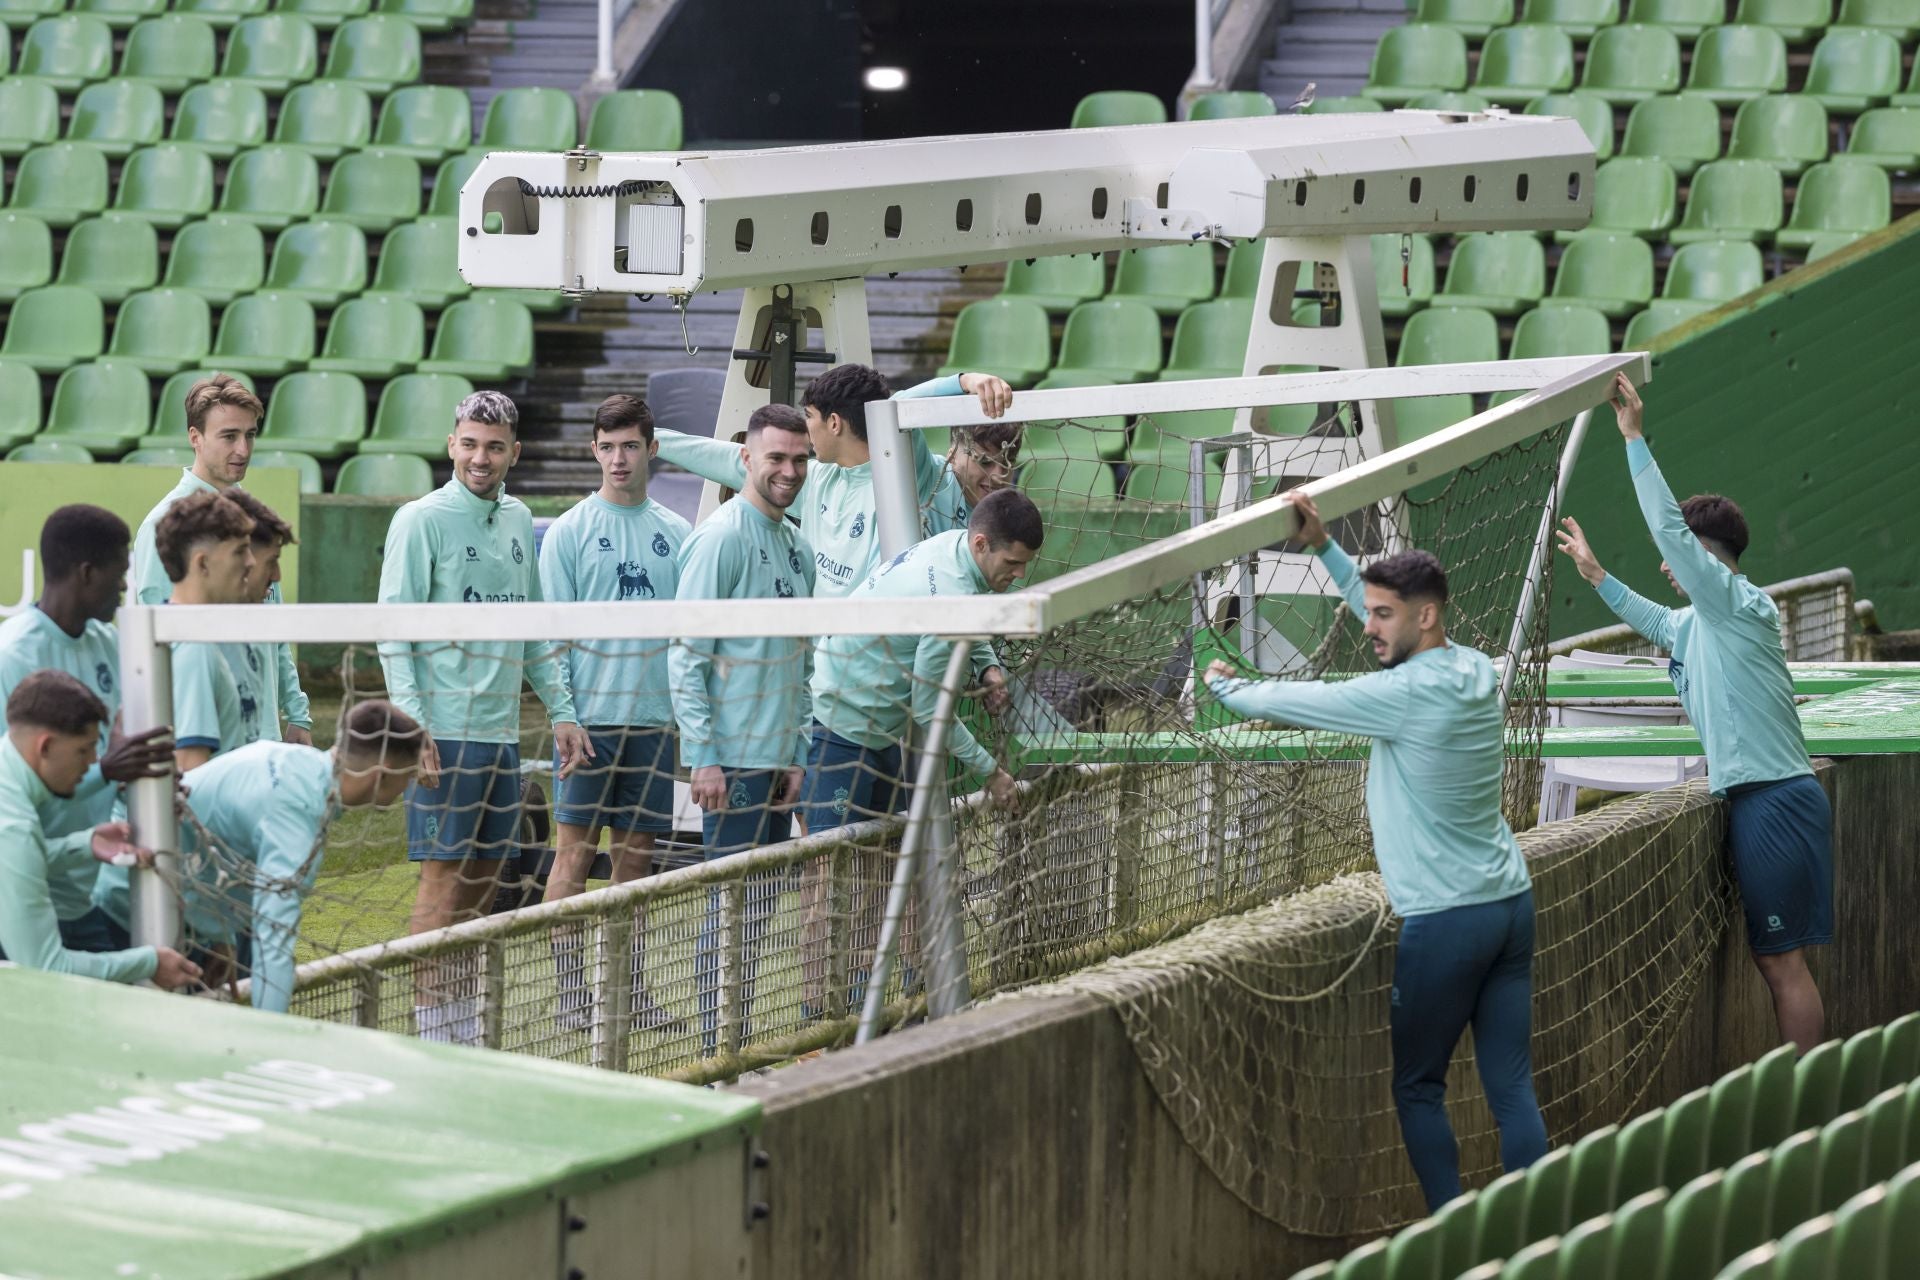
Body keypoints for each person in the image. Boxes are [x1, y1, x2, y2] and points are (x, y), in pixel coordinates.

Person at [1203, 492, 1547, 1212]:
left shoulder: (1401, 695)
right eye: (1369, 612)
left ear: (1426, 616)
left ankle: (1455, 1239)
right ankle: (1539, 1234)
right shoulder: (1476, 670)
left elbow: (1295, 705)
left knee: (1417, 1087)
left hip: (1447, 921)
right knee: (1511, 1084)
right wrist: (1326, 547)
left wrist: (1230, 692)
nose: (1370, 628)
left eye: (1384, 615)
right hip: (1509, 904)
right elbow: (1381, 627)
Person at [1556, 373, 1830, 1054]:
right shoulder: (1694, 622)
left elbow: (1669, 535)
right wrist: (1595, 576)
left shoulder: (1738, 605)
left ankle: (1814, 1102)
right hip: (1755, 798)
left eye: (1679, 555)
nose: (1665, 564)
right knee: (1776, 961)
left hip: (1775, 799)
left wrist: (1633, 439)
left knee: (1781, 964)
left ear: (1709, 559)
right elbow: (1648, 616)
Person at [376, 390, 588, 1042]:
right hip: (443, 736)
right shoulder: (421, 520)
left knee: (483, 889)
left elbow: (532, 627)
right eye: (469, 443)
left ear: (514, 453)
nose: (480, 457)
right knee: (441, 890)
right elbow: (394, 630)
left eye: (494, 447)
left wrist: (563, 711)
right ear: (451, 445)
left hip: (500, 740)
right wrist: (413, 727)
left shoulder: (522, 520)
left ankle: (461, 1029)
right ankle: (431, 1032)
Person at [797, 489, 1040, 1013]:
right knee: (831, 875)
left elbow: (967, 624)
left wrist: (988, 665)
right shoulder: (948, 592)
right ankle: (815, 1021)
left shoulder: (957, 554)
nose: (1019, 575)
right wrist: (990, 774)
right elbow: (931, 714)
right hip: (842, 725)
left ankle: (883, 1006)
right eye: (1013, 563)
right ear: (981, 544)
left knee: (891, 867)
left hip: (886, 727)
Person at [95, 700, 425, 1013]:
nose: (406, 788)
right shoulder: (296, 814)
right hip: (126, 914)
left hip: (161, 909)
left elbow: (220, 835)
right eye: (407, 777)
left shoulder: (297, 765)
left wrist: (221, 938)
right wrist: (271, 1036)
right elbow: (274, 939)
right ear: (381, 774)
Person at [537, 393, 691, 1031]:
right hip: (588, 725)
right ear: (592, 450)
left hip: (654, 724)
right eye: (607, 446)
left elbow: (688, 636)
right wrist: (563, 715)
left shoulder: (678, 534)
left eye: (630, 445)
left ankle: (628, 991)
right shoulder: (570, 531)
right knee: (572, 856)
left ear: (651, 449)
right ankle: (572, 993)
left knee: (635, 865)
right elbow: (550, 637)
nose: (618, 458)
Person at [668, 403, 816, 1051]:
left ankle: (736, 1039)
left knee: (757, 911)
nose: (788, 470)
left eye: (799, 458)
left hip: (776, 761)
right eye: (776, 457)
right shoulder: (722, 537)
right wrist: (701, 755)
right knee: (727, 908)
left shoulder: (797, 545)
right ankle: (714, 1049)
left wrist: (797, 752)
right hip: (728, 763)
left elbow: (802, 661)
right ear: (746, 459)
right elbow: (686, 652)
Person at [0, 506, 175, 952]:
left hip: (80, 891)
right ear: (86, 572)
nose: (124, 587)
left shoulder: (112, 646)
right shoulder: (11, 655)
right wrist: (107, 771)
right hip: (18, 887)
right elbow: (9, 789)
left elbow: (124, 756)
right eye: (119, 573)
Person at [129, 374, 312, 745]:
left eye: (251, 435)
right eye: (229, 436)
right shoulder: (162, 525)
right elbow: (156, 648)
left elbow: (273, 627)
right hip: (200, 739)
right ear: (195, 438)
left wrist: (297, 713)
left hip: (261, 739)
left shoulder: (254, 517)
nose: (243, 449)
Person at [0, 670, 201, 990]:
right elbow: (44, 966)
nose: (93, 762)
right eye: (85, 749)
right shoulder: (14, 828)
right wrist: (149, 962)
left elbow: (11, 866)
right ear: (46, 746)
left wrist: (85, 843)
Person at [154, 491, 263, 772]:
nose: (251, 561)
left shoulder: (185, 636)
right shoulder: (194, 648)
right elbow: (190, 771)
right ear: (202, 564)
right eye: (240, 551)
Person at [220, 490, 301, 743]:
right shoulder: (196, 652)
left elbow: (279, 644)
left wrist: (297, 713)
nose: (277, 576)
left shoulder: (249, 627)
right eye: (271, 561)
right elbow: (193, 767)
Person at [923, 421, 1026, 536]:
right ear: (952, 457)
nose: (998, 478)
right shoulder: (930, 475)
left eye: (1008, 463)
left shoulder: (1008, 516)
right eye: (985, 462)